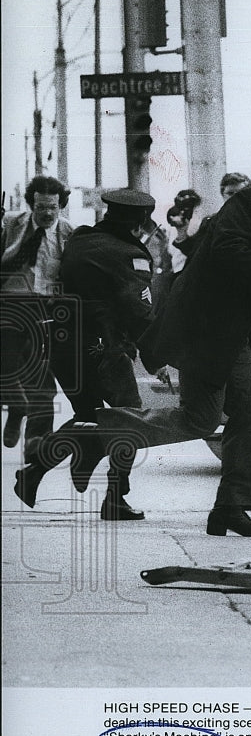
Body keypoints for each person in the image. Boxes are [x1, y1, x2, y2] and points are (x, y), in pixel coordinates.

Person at [54, 144, 251, 537]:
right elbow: (229, 256)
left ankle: (98, 437)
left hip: (214, 336)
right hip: (212, 332)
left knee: (201, 418)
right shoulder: (249, 202)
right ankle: (231, 505)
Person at [13, 189, 158, 520]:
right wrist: (156, 357)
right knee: (128, 420)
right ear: (140, 222)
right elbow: (141, 314)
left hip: (64, 347)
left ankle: (36, 473)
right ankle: (115, 498)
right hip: (103, 348)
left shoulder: (80, 238)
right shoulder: (129, 255)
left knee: (90, 418)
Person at [1, 176, 74, 458]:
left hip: (47, 307)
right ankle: (17, 406)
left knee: (41, 375)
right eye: (41, 206)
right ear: (31, 204)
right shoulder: (10, 223)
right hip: (9, 302)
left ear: (60, 206)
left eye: (53, 207)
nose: (47, 213)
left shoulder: (68, 232)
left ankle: (37, 440)